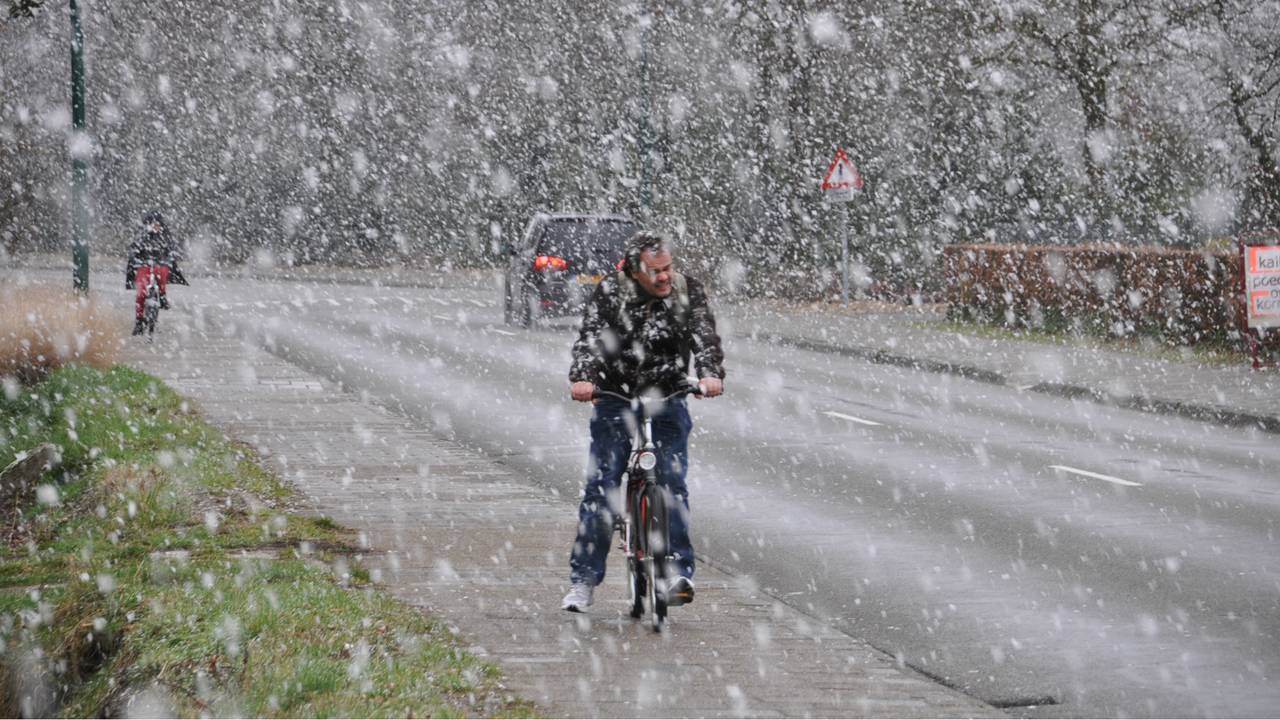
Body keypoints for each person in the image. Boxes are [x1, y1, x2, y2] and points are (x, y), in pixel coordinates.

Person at [562, 231, 725, 612]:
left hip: (667, 393)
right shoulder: (611, 292)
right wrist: (584, 377)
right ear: (635, 271)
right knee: (602, 491)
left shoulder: (687, 290)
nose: (665, 277)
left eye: (668, 268)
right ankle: (584, 582)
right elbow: (590, 338)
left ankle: (677, 574)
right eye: (656, 272)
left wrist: (709, 373)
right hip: (615, 394)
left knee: (672, 485)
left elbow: (704, 335)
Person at [125, 210, 187, 335]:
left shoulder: (165, 236)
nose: (156, 227)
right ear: (148, 225)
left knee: (162, 274)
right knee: (141, 293)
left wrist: (171, 258)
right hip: (144, 266)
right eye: (153, 224)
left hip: (160, 265)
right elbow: (133, 250)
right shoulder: (142, 237)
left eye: (158, 224)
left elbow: (172, 250)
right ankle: (138, 321)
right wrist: (135, 258)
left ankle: (163, 296)